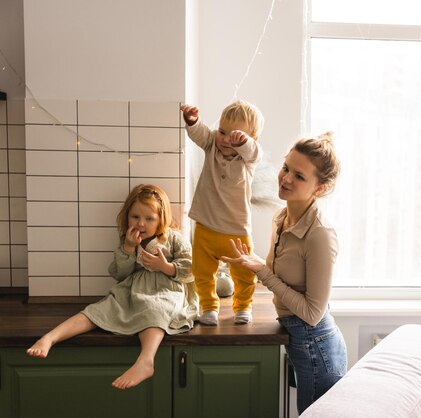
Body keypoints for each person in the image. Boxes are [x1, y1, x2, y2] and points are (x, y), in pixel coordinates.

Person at [26, 184, 199, 389]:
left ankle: (146, 361)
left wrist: (166, 267)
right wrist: (128, 247)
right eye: (135, 217)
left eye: (149, 219)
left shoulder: (174, 239)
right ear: (127, 216)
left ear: (162, 219)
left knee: (155, 310)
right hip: (133, 289)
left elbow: (191, 270)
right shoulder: (129, 239)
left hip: (165, 289)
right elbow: (120, 274)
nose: (141, 223)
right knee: (100, 309)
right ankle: (50, 337)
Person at [222, 132, 348, 413]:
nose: (286, 178)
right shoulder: (283, 218)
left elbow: (313, 313)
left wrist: (262, 273)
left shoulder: (320, 235)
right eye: (286, 168)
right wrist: (252, 265)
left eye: (299, 176)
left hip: (317, 348)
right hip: (299, 340)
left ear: (320, 188)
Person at [180, 100, 264, 325]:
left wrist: (243, 142)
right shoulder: (212, 146)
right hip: (206, 226)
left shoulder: (247, 160)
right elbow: (200, 134)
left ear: (250, 139)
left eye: (236, 136)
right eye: (223, 131)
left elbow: (254, 152)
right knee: (202, 272)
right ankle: (208, 308)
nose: (227, 139)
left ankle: (243, 307)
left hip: (236, 231)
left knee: (244, 274)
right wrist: (192, 121)